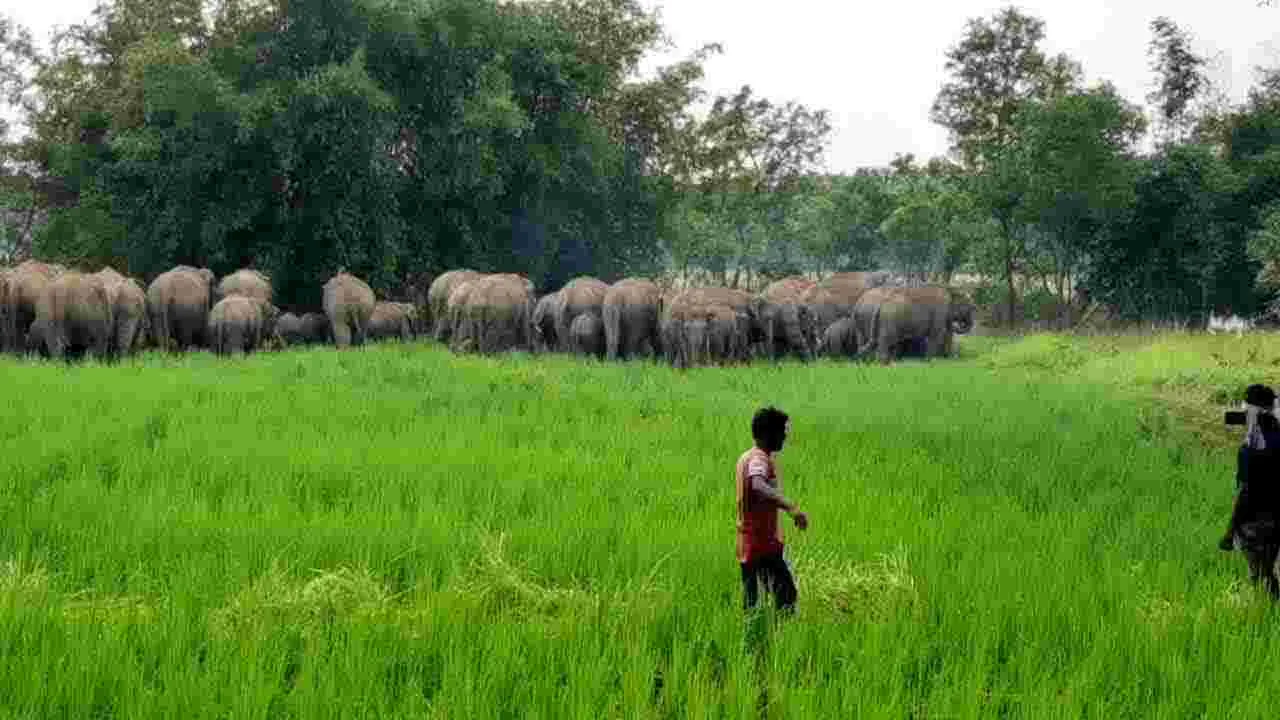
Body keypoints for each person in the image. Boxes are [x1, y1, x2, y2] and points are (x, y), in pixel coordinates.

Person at [736, 406, 808, 613]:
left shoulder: (746, 457)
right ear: (768, 433)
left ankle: (757, 638)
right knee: (786, 596)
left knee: (752, 603)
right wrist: (791, 507)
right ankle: (782, 639)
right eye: (782, 432)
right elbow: (758, 484)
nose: (785, 437)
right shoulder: (759, 458)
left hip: (747, 544)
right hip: (762, 545)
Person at [1219, 384, 1280, 599]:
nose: (1242, 416)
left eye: (1245, 412)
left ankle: (1270, 617)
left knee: (1262, 578)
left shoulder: (1251, 450)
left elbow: (1246, 493)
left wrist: (1229, 532)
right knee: (1269, 573)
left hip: (1258, 524)